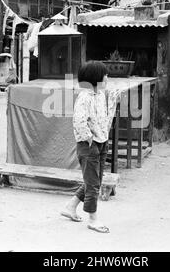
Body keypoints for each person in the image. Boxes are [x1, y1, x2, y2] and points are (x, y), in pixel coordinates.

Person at [60, 61, 121, 233]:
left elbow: (106, 119)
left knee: (94, 181)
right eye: (105, 75)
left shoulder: (100, 95)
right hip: (89, 145)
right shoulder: (84, 97)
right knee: (93, 183)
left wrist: (114, 101)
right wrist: (89, 140)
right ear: (95, 78)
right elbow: (79, 121)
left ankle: (70, 207)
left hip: (101, 142)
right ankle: (93, 219)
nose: (107, 77)